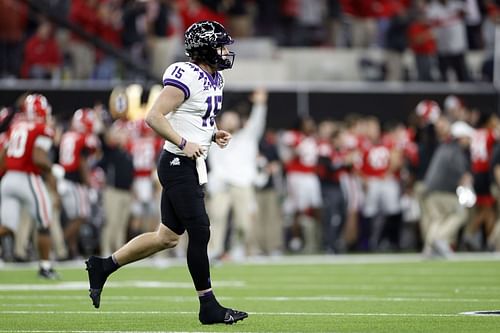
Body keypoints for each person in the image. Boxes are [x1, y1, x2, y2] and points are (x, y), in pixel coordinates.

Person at [85, 20, 247, 325]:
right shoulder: (185, 74)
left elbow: (193, 117)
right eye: (220, 46)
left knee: (167, 237)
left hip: (188, 164)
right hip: (177, 164)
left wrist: (212, 135)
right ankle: (208, 306)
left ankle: (104, 265)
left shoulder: (214, 78)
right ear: (205, 49)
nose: (225, 52)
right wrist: (184, 143)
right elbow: (154, 117)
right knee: (200, 231)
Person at [0, 94, 63, 278]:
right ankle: (45, 267)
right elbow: (38, 158)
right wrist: (54, 168)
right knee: (45, 222)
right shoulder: (42, 128)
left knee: (7, 226)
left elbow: (3, 157)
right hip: (28, 178)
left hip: (8, 179)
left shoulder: (15, 126)